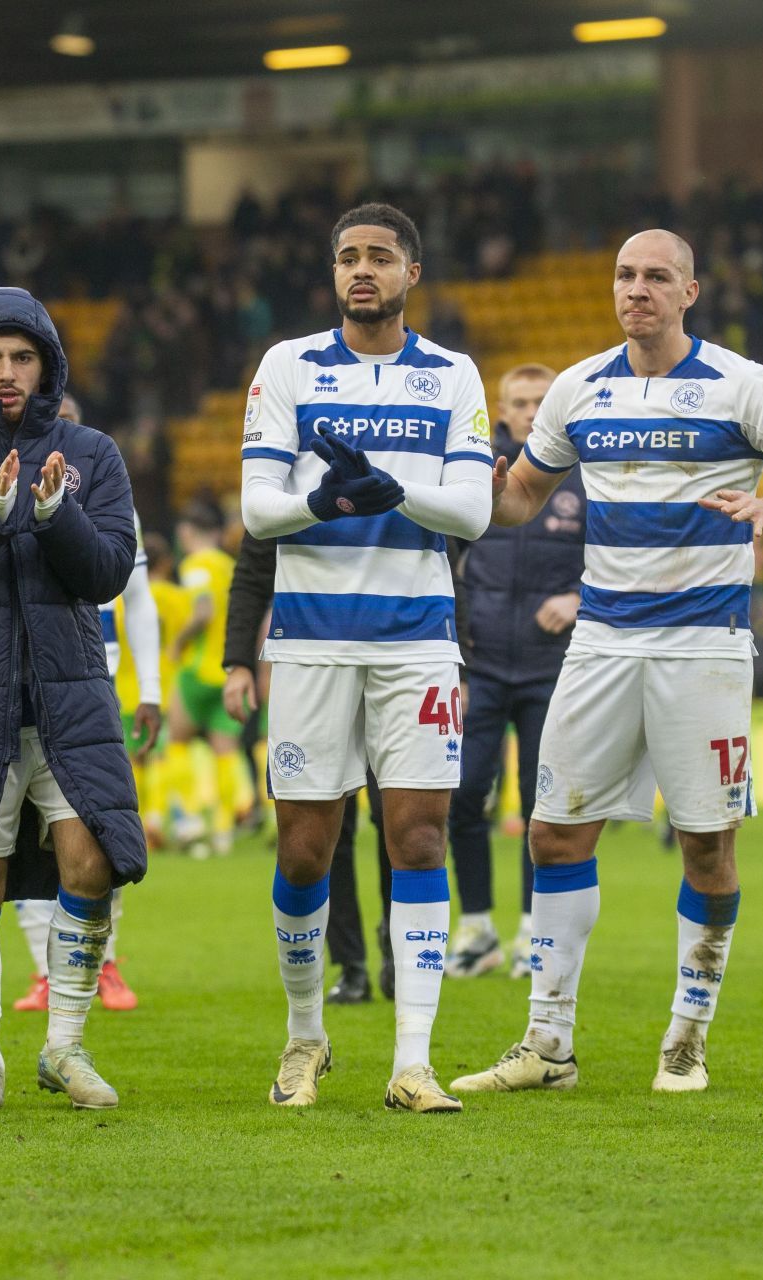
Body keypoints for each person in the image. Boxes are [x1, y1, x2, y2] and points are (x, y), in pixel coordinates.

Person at [455, 229, 763, 1097]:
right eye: (625, 276)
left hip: (702, 646)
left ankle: (687, 1035)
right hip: (601, 641)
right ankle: (547, 1044)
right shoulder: (579, 388)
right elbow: (523, 497)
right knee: (552, 832)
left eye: (656, 278)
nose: (637, 290)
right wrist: (476, 494)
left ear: (691, 292)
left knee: (708, 848)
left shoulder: (743, 385)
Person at [238, 202, 492, 1113]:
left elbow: (474, 510)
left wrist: (396, 490)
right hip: (309, 643)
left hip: (418, 644)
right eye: (347, 256)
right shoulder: (288, 366)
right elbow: (258, 510)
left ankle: (412, 1060)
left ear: (410, 273)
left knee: (418, 835)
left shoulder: (453, 375)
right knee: (305, 852)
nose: (361, 270)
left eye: (379, 257)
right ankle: (306, 1037)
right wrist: (332, 506)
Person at [0, 286, 142, 1113]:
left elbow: (109, 572)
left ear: (47, 364)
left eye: (22, 358)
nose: (6, 372)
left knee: (91, 863)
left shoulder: (92, 451)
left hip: (71, 698)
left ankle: (63, 1047)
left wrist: (55, 514)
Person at [9, 389, 157, 1016]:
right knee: (19, 834)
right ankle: (45, 971)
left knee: (95, 827)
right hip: (15, 679)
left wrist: (148, 689)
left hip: (93, 678)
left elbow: (138, 596)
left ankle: (107, 961)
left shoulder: (100, 479)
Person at [445, 362, 578, 980]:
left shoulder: (584, 480)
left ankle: (534, 931)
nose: (529, 412)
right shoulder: (478, 482)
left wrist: (581, 599)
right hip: (483, 666)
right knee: (465, 795)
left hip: (555, 669)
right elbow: (444, 565)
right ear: (500, 413)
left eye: (541, 401)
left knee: (540, 802)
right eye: (520, 402)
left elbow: (617, 561)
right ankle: (477, 929)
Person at [223, 532, 395, 1005]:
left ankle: (396, 943)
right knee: (324, 830)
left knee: (398, 820)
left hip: (395, 661)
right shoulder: (284, 471)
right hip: (315, 663)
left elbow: (442, 560)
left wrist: (453, 665)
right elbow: (254, 570)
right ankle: (351, 963)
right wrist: (238, 661)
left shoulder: (406, 460)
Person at [168, 500, 247, 856]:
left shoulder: (195, 564)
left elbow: (203, 611)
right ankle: (223, 829)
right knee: (225, 751)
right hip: (229, 670)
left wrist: (177, 642)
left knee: (176, 740)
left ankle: (188, 821)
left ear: (187, 532)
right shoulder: (231, 566)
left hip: (199, 668)